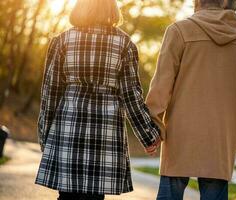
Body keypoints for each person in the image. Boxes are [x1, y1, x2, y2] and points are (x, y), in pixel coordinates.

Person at [35, 0, 161, 199]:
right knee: (95, 196)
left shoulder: (62, 41)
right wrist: (148, 135)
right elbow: (131, 96)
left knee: (66, 195)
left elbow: (50, 93)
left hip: (68, 129)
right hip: (105, 134)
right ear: (112, 9)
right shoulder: (125, 44)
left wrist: (44, 134)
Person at [146, 0, 236, 199]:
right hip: (222, 137)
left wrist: (152, 125)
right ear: (224, 2)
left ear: (196, 1)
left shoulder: (179, 31)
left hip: (180, 134)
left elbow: (161, 85)